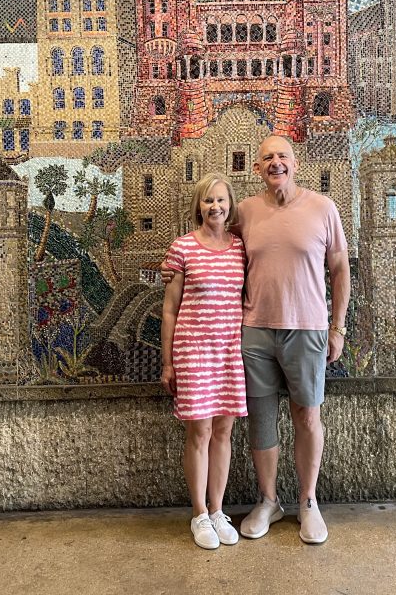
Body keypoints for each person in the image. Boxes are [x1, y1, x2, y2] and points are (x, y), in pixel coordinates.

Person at [164, 135, 350, 545]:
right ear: (256, 168)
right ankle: (268, 500)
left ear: (295, 163)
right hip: (253, 332)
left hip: (308, 329)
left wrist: (337, 327)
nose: (275, 163)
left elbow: (339, 269)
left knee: (308, 416)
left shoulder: (323, 208)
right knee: (261, 421)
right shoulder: (244, 212)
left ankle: (308, 501)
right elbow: (212, 246)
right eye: (267, 157)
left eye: (282, 156)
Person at [161, 173, 248, 550]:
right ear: (198, 206)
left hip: (229, 351)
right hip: (193, 350)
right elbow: (169, 310)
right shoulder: (182, 248)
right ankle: (198, 514)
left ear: (231, 206)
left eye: (221, 200)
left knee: (224, 433)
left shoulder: (240, 248)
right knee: (199, 433)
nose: (215, 207)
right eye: (208, 201)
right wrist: (168, 363)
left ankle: (217, 510)